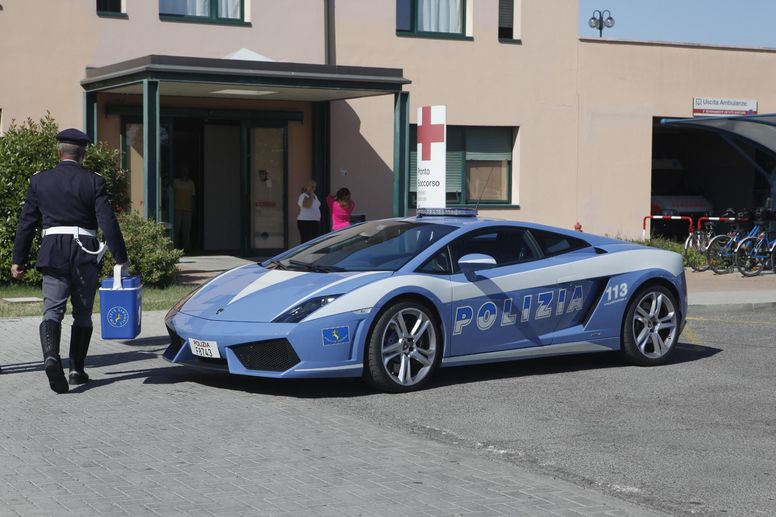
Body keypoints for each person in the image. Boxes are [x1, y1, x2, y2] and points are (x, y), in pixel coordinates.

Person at [11, 128, 129, 394]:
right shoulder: (93, 181)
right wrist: (120, 258)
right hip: (85, 251)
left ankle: (52, 358)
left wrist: (18, 260)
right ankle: (76, 369)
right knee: (83, 313)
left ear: (58, 151)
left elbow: (26, 224)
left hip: (53, 250)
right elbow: (107, 222)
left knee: (52, 311)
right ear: (83, 154)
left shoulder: (39, 181)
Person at [173, 165, 196, 250]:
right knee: (176, 230)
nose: (184, 173)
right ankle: (175, 247)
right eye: (182, 171)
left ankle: (186, 247)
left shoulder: (191, 183)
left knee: (186, 230)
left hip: (188, 210)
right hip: (177, 209)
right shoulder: (175, 182)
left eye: (186, 171)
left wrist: (193, 209)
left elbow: (193, 197)